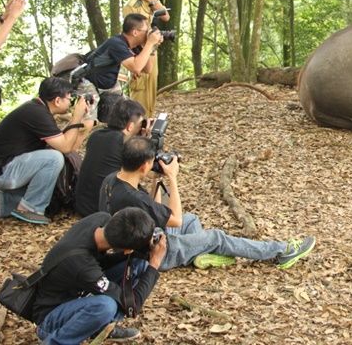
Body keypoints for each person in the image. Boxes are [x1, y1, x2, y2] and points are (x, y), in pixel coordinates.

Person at [99, 136, 316, 271]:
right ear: (145, 166)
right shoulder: (134, 198)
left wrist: (158, 179)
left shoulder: (115, 180)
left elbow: (156, 210)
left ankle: (200, 253)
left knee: (193, 221)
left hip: (142, 236)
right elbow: (175, 220)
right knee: (216, 237)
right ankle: (280, 251)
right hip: (157, 251)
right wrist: (172, 178)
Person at [32, 207, 167, 343]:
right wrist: (154, 264)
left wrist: (142, 253)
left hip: (78, 291)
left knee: (138, 264)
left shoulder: (101, 220)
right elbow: (133, 306)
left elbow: (102, 262)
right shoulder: (82, 264)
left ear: (116, 215)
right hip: (51, 317)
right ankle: (56, 341)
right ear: (127, 249)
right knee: (105, 307)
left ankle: (101, 327)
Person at [0, 77, 92, 224]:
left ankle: (2, 202)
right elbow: (64, 147)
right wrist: (76, 117)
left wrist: (83, 130)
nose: (71, 101)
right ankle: (30, 209)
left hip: (9, 169)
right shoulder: (36, 112)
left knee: (50, 187)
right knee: (53, 159)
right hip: (5, 170)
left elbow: (68, 149)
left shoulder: (39, 109)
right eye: (69, 97)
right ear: (57, 101)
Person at [77, 13, 163, 120]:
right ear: (135, 32)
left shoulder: (133, 45)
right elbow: (136, 67)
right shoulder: (116, 43)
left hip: (107, 83)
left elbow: (147, 69)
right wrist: (150, 43)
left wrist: (152, 46)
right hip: (88, 82)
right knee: (87, 124)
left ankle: (119, 135)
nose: (148, 34)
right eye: (147, 31)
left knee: (127, 113)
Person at [74, 99, 147, 217]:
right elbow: (145, 169)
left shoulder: (96, 135)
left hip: (83, 205)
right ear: (130, 126)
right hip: (103, 209)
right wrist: (146, 140)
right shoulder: (121, 142)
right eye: (141, 124)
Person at [123, 0, 170, 116]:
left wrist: (151, 0)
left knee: (151, 93)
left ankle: (148, 127)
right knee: (140, 93)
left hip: (152, 50)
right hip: (140, 54)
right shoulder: (132, 5)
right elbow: (132, 34)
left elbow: (166, 16)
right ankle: (135, 130)